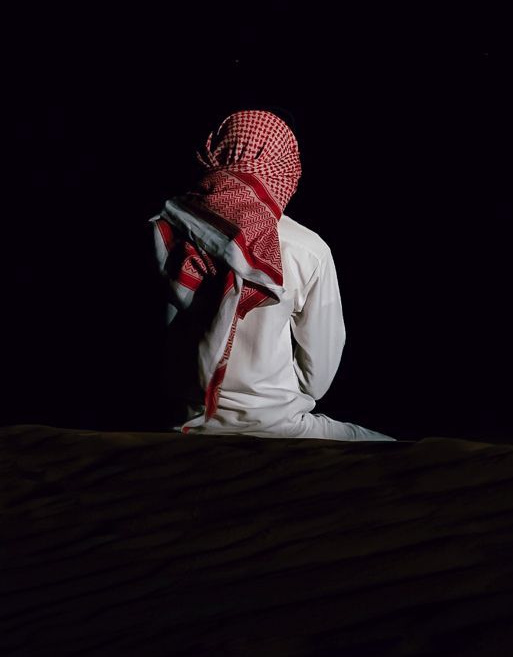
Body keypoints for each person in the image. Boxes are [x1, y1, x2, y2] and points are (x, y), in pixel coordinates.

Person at [148, 107, 395, 441]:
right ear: (285, 167)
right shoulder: (307, 249)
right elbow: (316, 380)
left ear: (215, 153)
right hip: (281, 429)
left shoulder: (162, 230)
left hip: (178, 425)